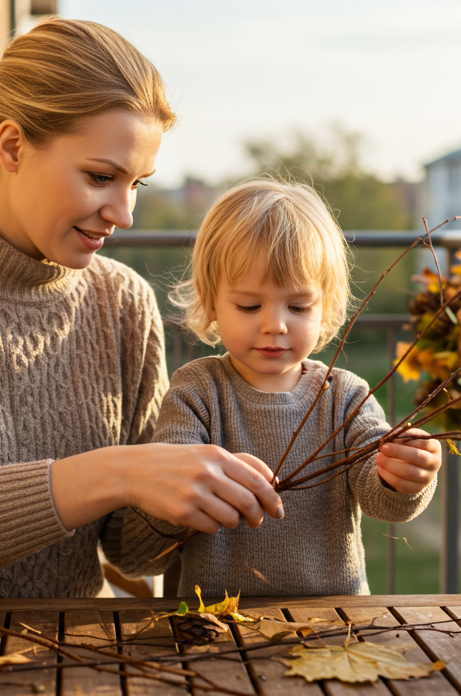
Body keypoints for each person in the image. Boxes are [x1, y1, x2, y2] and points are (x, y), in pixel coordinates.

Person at [0, 19, 283, 598]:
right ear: (12, 146)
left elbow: (131, 549)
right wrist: (118, 472)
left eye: (137, 183)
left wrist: (198, 485)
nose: (124, 212)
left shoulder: (122, 303)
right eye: (100, 177)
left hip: (74, 657)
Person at [115, 179, 442, 596]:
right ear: (210, 299)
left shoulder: (344, 396)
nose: (275, 324)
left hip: (332, 620)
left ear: (326, 307)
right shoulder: (196, 391)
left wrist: (404, 476)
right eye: (249, 306)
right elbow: (172, 496)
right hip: (212, 623)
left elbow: (381, 500)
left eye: (299, 306)